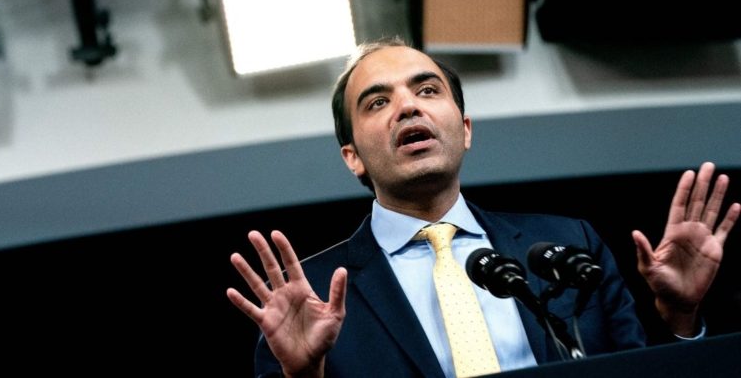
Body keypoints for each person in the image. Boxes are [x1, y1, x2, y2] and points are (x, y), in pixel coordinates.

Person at [226, 37, 740, 378]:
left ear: (464, 130)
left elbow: (638, 370)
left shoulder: (568, 247)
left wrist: (679, 314)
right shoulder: (308, 296)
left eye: (427, 90)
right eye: (378, 102)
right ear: (353, 157)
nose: (408, 106)